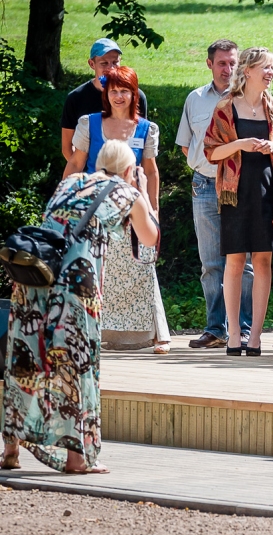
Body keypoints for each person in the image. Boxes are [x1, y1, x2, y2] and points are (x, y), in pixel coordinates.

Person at [2, 140, 160, 474]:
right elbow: (150, 237)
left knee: (26, 360)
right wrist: (144, 191)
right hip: (75, 287)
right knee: (77, 364)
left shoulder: (71, 182)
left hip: (36, 277)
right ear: (129, 170)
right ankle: (77, 459)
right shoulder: (126, 192)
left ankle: (10, 449)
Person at [62, 66, 170, 354]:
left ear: (134, 94)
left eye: (124, 91)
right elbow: (75, 163)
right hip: (96, 206)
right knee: (96, 270)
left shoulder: (146, 128)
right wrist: (66, 199)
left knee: (143, 265)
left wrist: (154, 208)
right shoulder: (89, 123)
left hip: (133, 203)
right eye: (113, 91)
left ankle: (157, 334)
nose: (118, 96)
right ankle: (92, 331)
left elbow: (151, 170)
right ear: (106, 94)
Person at [204, 47, 273, 356]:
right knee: (235, 260)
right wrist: (239, 143)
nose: (270, 73)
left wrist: (272, 148)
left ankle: (255, 336)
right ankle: (234, 333)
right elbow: (211, 152)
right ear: (248, 70)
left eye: (272, 68)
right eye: (265, 67)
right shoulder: (226, 107)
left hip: (267, 190)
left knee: (263, 260)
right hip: (234, 192)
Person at [176, 39, 255, 350]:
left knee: (243, 262)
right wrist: (206, 167)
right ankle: (215, 329)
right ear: (209, 64)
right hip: (205, 185)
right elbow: (187, 145)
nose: (228, 69)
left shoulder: (248, 98)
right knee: (211, 263)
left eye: (233, 62)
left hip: (240, 187)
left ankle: (243, 328)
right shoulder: (195, 99)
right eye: (222, 63)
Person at [60, 38, 149, 161]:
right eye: (104, 63)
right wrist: (85, 169)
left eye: (115, 62)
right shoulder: (76, 98)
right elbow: (67, 147)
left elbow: (142, 138)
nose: (111, 68)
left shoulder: (136, 96)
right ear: (92, 64)